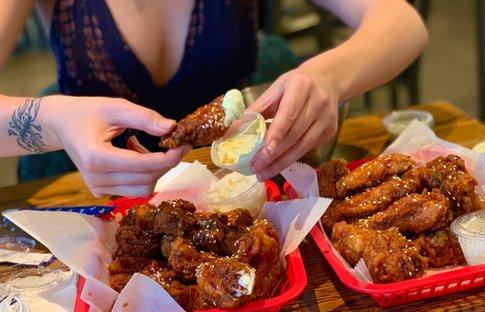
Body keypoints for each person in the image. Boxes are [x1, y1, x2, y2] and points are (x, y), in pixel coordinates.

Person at [0, 0, 428, 197]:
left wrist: (328, 77)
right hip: (98, 199)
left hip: (243, 194)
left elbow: (402, 21)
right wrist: (54, 121)